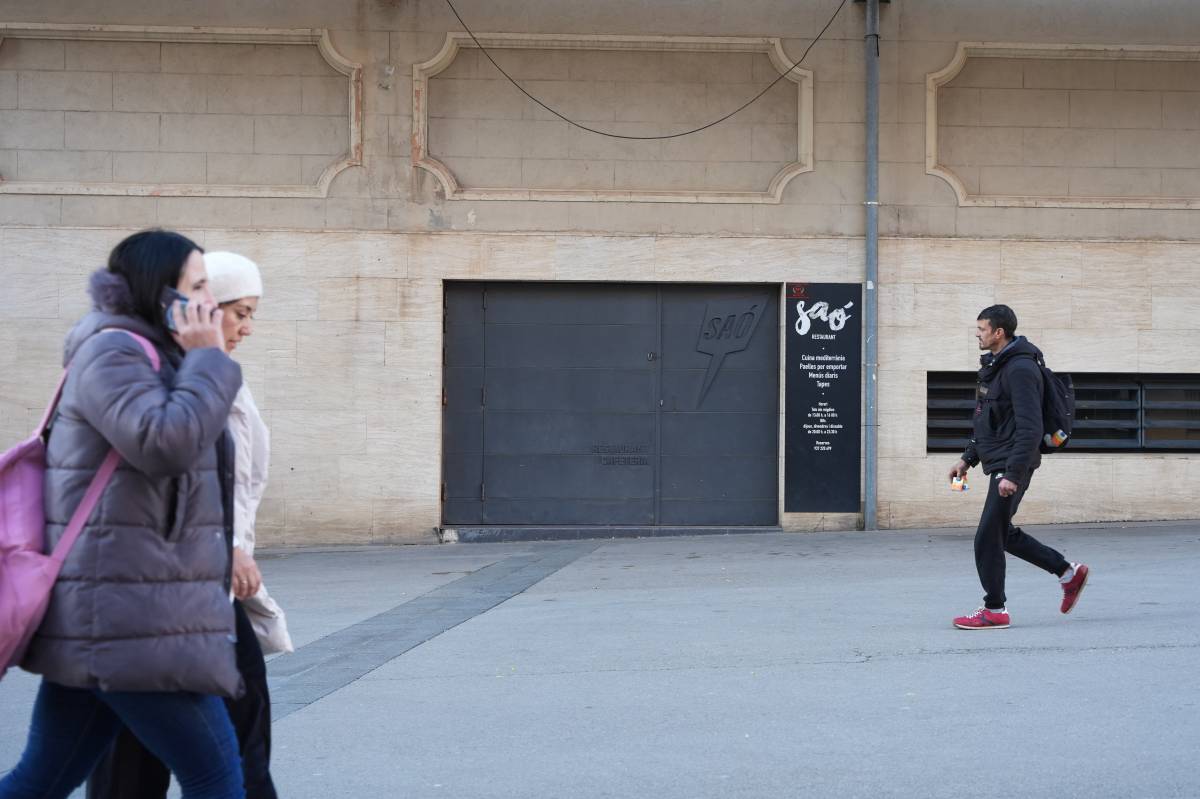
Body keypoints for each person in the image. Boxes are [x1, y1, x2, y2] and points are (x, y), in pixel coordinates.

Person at [0, 230, 245, 799]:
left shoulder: (154, 354)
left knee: (43, 779)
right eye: (199, 286)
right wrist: (209, 357)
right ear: (162, 295)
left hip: (120, 612)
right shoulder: (113, 352)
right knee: (217, 777)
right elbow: (164, 443)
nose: (211, 300)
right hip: (130, 616)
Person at [87, 252, 292, 799]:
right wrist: (230, 547)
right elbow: (177, 468)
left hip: (186, 584)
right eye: (238, 311)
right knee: (217, 750)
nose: (246, 326)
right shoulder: (151, 369)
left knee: (121, 749)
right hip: (167, 587)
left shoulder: (207, 371)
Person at [948, 305, 1090, 630]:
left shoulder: (1020, 369)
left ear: (999, 332)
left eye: (982, 328)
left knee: (987, 537)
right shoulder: (996, 367)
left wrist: (1013, 473)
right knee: (1002, 533)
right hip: (1000, 460)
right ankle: (1068, 573)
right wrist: (967, 458)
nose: (977, 333)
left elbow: (1029, 426)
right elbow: (986, 420)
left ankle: (994, 609)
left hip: (1013, 464)